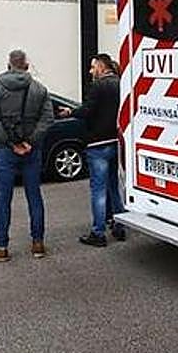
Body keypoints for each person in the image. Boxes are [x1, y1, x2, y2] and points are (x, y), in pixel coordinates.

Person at [0, 49, 53, 261]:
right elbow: (47, 118)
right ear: (26, 65)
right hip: (32, 150)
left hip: (5, 149)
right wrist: (31, 141)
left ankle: (1, 246)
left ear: (9, 65)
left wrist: (10, 142)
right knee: (34, 196)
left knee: (3, 198)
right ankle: (38, 243)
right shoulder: (39, 89)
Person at [59, 54, 126, 246]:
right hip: (114, 141)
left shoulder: (98, 86)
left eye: (92, 67)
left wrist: (71, 112)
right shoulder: (120, 83)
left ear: (102, 67)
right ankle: (119, 225)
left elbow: (88, 110)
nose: (90, 71)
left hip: (98, 144)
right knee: (113, 186)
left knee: (98, 190)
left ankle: (98, 233)